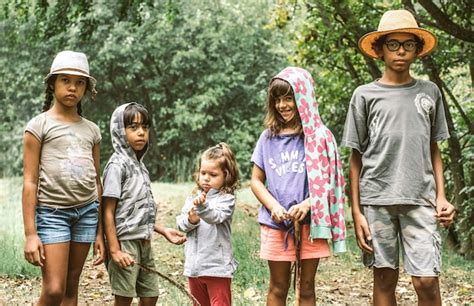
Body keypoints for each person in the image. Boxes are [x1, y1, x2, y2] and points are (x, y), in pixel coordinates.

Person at [342, 9, 456, 306]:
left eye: (408, 44)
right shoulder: (364, 95)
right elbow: (356, 157)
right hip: (376, 199)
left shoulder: (429, 92)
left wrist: (442, 197)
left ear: (418, 50)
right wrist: (356, 212)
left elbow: (434, 148)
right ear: (379, 50)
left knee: (427, 281)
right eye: (393, 44)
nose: (401, 51)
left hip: (421, 198)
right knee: (384, 278)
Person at [250, 67, 346, 306]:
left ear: (303, 97)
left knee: (305, 287)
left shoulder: (319, 137)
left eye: (289, 98)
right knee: (278, 286)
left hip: (310, 225)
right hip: (276, 223)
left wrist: (308, 203)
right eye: (278, 99)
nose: (283, 105)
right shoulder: (268, 138)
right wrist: (273, 206)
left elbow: (331, 181)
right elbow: (255, 180)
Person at [22, 50, 105, 305]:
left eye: (80, 82)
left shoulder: (92, 130)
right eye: (65, 80)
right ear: (52, 83)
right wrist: (30, 235)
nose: (73, 88)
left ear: (87, 89)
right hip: (52, 214)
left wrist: (99, 233)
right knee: (54, 289)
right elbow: (30, 181)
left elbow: (97, 181)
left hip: (87, 213)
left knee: (71, 287)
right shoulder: (39, 126)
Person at [102, 102, 186, 306]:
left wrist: (161, 230)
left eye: (145, 127)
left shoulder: (140, 166)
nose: (141, 133)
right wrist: (114, 250)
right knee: (124, 297)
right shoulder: (116, 165)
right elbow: (107, 211)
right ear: (119, 131)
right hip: (124, 242)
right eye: (133, 127)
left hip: (143, 241)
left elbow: (136, 211)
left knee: (150, 295)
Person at [176, 143, 240, 306]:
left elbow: (216, 216)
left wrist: (202, 207)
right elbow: (181, 223)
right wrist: (191, 221)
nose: (206, 178)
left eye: (213, 174)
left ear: (226, 176)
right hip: (194, 268)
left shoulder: (226, 199)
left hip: (217, 269)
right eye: (203, 173)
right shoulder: (193, 198)